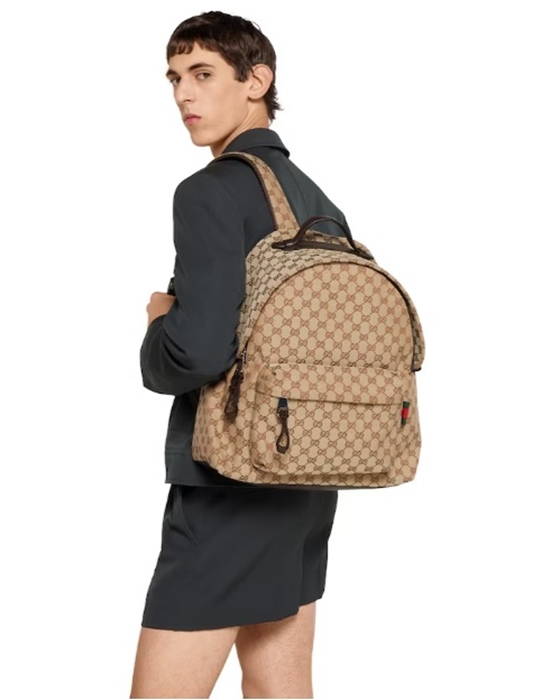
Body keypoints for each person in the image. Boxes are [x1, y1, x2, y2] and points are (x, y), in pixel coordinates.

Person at [131, 11, 349, 699]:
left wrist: (157, 325)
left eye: (202, 74)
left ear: (257, 80)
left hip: (228, 482)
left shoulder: (210, 191)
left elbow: (195, 353)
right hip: (307, 475)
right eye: (174, 78)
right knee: (279, 687)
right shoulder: (318, 203)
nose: (183, 95)